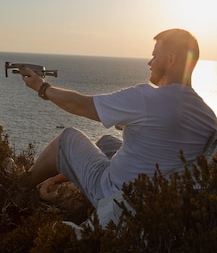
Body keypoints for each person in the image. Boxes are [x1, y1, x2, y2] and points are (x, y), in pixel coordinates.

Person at [19, 29, 217, 212]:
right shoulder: (208, 115)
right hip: (158, 201)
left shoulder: (146, 98)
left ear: (171, 59)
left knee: (68, 138)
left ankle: (18, 188)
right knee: (107, 141)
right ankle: (57, 178)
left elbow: (80, 105)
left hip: (115, 195)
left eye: (155, 56)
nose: (150, 63)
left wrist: (41, 87)